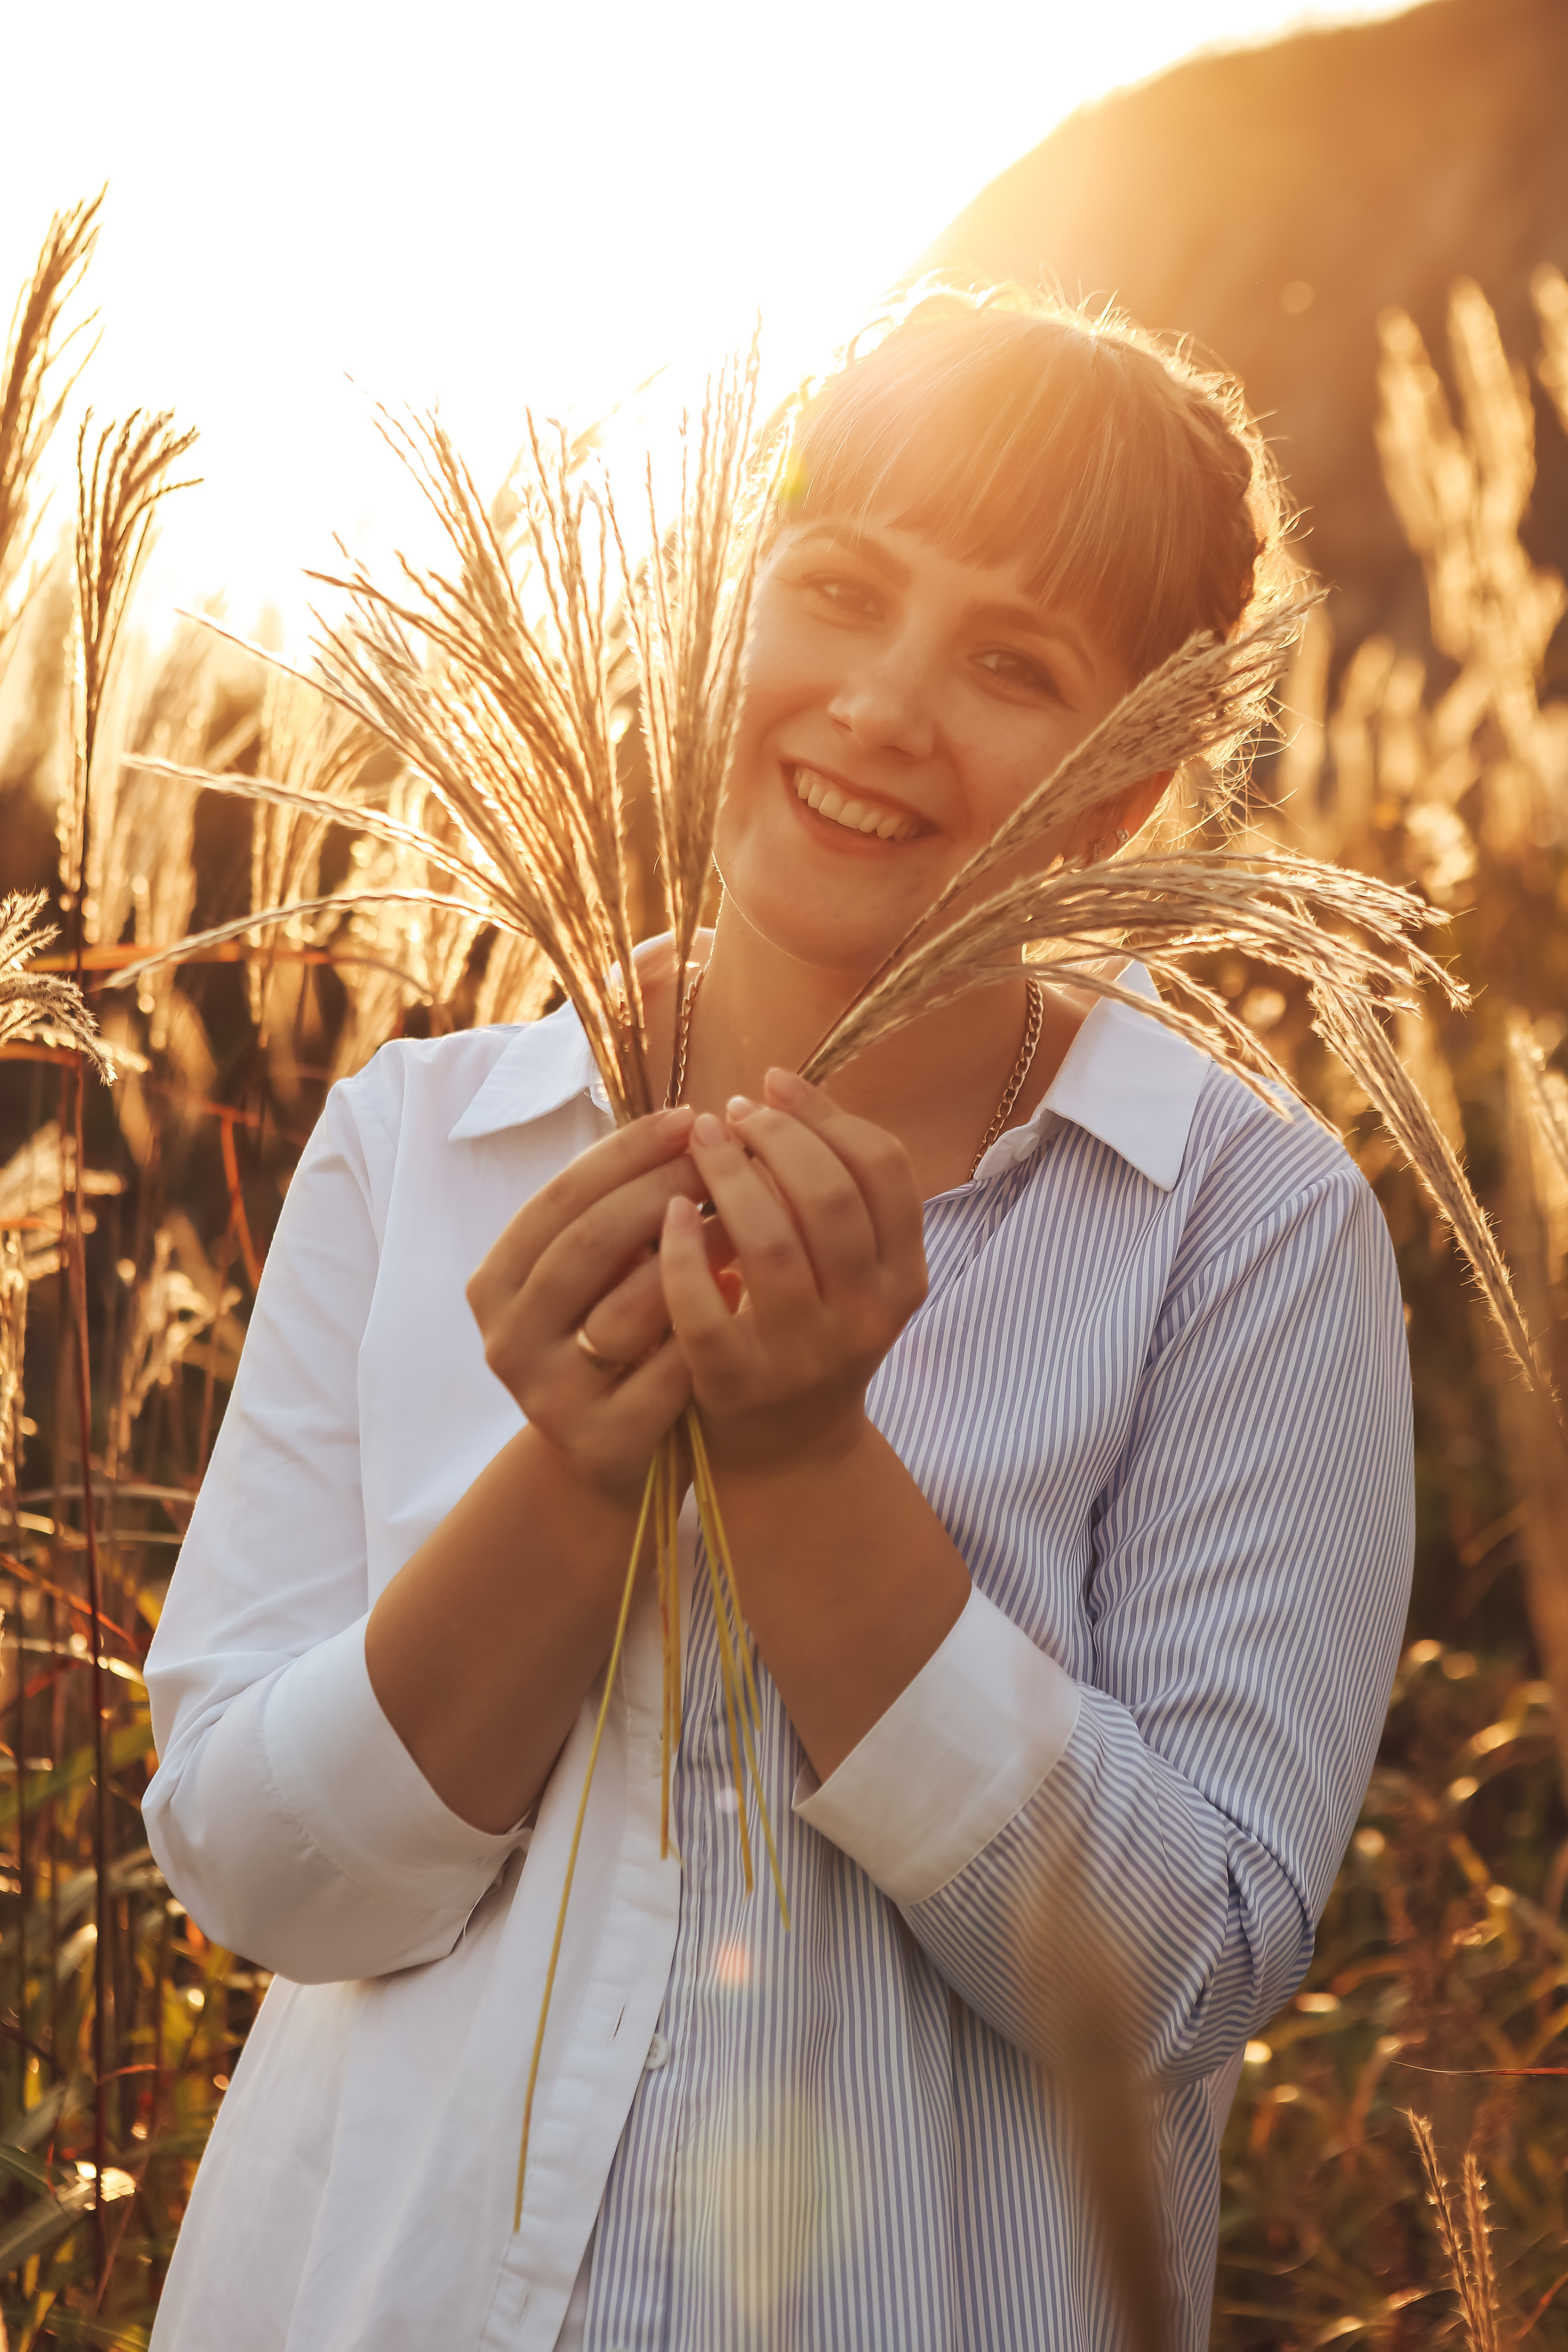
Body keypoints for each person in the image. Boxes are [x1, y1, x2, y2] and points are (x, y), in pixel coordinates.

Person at [143, 289, 1414, 2351]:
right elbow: (265, 1877)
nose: (888, 705)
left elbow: (1182, 1972)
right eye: (840, 590)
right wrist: (576, 1470)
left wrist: (810, 1463)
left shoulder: (1241, 1233)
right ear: (737, 608)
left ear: (1130, 785)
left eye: (1016, 665)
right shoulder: (422, 1140)